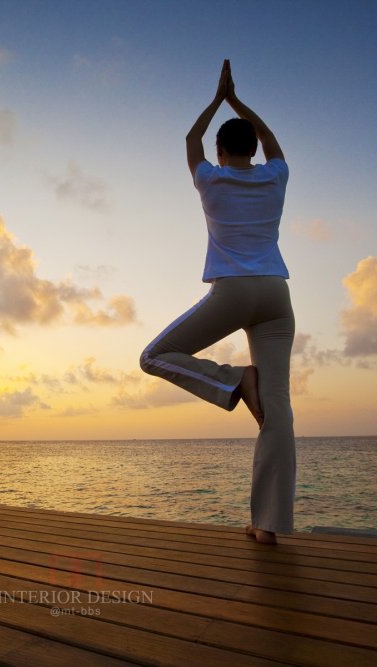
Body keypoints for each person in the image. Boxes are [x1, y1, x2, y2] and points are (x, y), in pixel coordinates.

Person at [139, 60, 295, 545]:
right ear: (252, 148)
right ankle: (268, 527)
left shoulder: (210, 178)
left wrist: (217, 99)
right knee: (278, 411)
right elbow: (273, 144)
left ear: (221, 150)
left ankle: (233, 382)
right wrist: (239, 104)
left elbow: (190, 140)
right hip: (276, 294)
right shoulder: (275, 177)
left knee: (153, 357)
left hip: (234, 290)